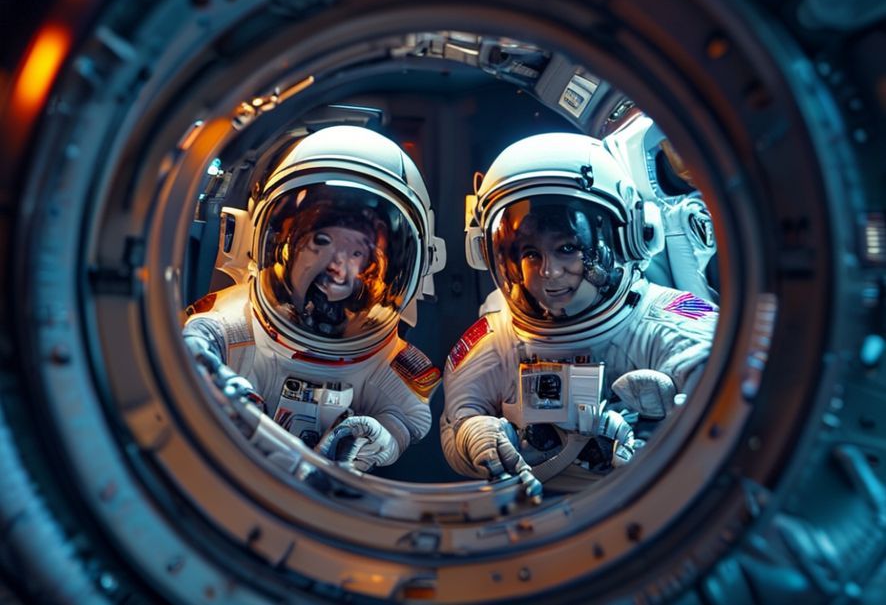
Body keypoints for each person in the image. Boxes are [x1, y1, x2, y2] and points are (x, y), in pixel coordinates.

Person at [440, 132, 718, 494]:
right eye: (531, 255)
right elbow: (454, 423)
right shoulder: (496, 338)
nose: (549, 272)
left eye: (567, 248)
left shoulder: (659, 319)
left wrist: (677, 417)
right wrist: (473, 439)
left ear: (633, 236)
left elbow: (725, 376)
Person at [184, 125, 446, 472]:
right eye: (321, 242)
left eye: (357, 253)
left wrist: (379, 437)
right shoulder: (231, 327)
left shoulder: (387, 360)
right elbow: (191, 353)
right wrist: (221, 393)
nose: (338, 268)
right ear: (282, 245)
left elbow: (409, 418)